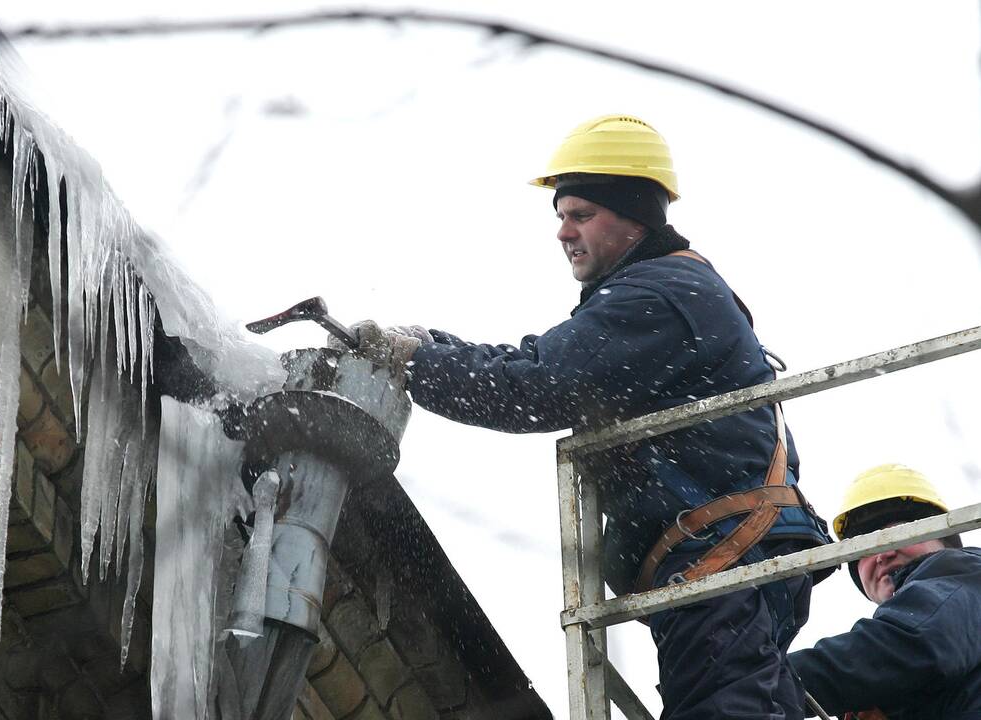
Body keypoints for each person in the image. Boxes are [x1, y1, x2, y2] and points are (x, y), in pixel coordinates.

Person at [339, 114, 833, 719]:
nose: (563, 232)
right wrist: (423, 344)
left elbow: (540, 387)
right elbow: (537, 360)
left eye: (580, 214)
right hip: (726, 549)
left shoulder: (658, 296)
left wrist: (416, 365)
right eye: (560, 216)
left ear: (634, 217)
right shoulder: (666, 291)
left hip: (721, 553)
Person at [789, 464, 981, 720]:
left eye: (900, 533)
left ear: (943, 538)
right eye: (865, 547)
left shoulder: (964, 570)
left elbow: (912, 642)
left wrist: (767, 679)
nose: (884, 553)